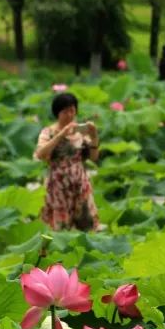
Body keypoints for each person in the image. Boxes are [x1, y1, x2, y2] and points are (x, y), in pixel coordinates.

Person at [34, 92, 99, 231]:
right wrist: (61, 134)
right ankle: (48, 252)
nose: (69, 115)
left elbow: (93, 157)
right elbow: (40, 154)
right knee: (57, 227)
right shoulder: (48, 132)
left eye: (72, 111)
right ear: (58, 113)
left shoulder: (81, 133)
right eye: (65, 112)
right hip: (57, 185)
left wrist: (94, 138)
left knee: (85, 225)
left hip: (80, 183)